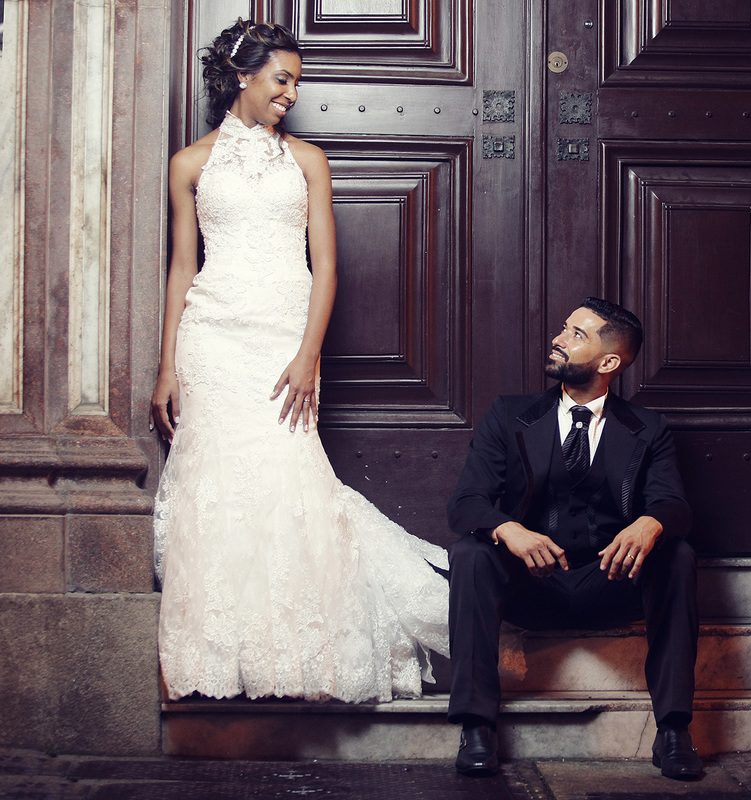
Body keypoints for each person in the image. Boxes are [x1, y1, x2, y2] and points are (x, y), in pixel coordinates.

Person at [150, 19, 449, 703]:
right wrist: (168, 366)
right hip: (212, 339)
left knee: (291, 480)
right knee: (215, 487)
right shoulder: (189, 164)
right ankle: (221, 659)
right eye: (281, 80)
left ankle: (300, 655)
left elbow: (327, 268)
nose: (290, 93)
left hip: (285, 339)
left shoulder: (308, 160)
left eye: (296, 83)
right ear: (241, 76)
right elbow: (182, 267)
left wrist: (309, 354)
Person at [446, 298, 703, 780]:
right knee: (471, 553)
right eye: (564, 329)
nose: (558, 339)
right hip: (530, 586)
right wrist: (508, 528)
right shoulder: (510, 414)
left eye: (576, 335)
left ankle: (673, 730)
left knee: (678, 555)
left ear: (609, 362)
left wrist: (652, 522)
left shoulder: (648, 429)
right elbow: (465, 503)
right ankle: (476, 726)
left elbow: (675, 505)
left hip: (609, 583)